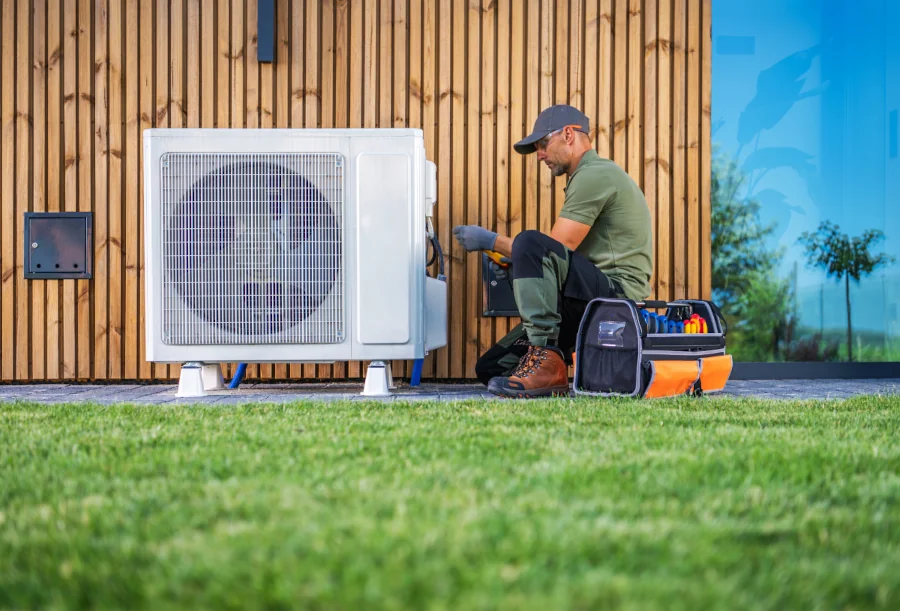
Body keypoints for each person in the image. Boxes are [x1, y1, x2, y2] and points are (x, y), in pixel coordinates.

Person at [452, 104, 653, 398]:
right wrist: (515, 265)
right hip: (588, 298)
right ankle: (547, 364)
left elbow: (555, 248)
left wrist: (491, 240)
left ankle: (546, 357)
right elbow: (560, 263)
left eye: (543, 144)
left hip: (616, 299)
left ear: (569, 134)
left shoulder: (595, 174)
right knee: (492, 368)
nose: (541, 155)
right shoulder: (586, 177)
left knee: (531, 242)